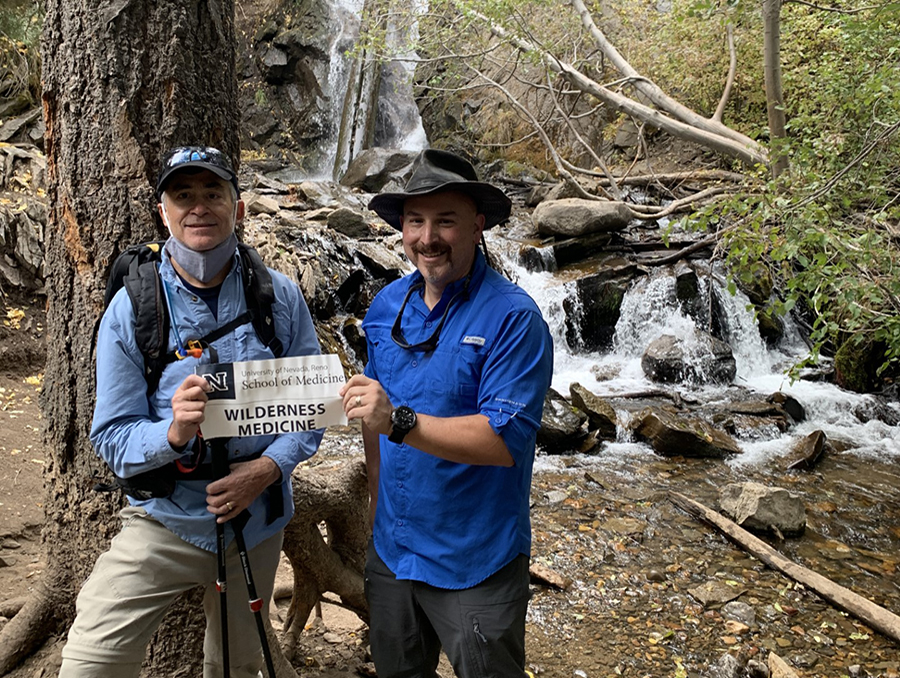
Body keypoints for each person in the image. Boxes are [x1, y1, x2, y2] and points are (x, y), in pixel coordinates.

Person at [59, 146, 322, 678]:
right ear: (164, 212)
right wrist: (174, 432)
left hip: (257, 521)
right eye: (183, 196)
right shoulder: (134, 307)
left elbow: (313, 408)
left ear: (238, 208)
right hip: (165, 520)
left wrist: (267, 470)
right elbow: (111, 436)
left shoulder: (281, 297)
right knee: (91, 661)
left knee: (238, 666)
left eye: (212, 193)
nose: (198, 207)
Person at [340, 149, 553, 677]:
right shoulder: (386, 305)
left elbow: (503, 441)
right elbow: (372, 412)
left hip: (474, 562)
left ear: (478, 226)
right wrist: (374, 501)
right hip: (394, 552)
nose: (427, 237)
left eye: (446, 221)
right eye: (416, 221)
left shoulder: (514, 318)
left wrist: (400, 421)